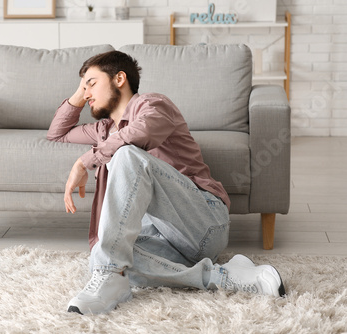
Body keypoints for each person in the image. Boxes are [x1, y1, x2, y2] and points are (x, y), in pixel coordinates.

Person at [47, 51, 285, 316]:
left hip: (201, 224)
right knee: (106, 253)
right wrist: (80, 94)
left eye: (91, 82)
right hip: (160, 240)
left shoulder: (154, 105)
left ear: (120, 79)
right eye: (83, 86)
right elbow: (57, 134)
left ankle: (110, 273)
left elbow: (141, 133)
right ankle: (224, 276)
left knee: (125, 154)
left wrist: (85, 161)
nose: (86, 92)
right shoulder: (102, 130)